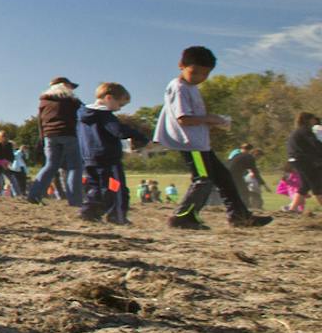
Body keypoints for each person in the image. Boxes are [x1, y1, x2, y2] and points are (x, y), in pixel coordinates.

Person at [155, 46, 270, 231]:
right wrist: (211, 119)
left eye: (205, 74)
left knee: (224, 177)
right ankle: (182, 217)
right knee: (203, 179)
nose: (200, 77)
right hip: (191, 145)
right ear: (181, 65)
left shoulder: (191, 87)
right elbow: (183, 118)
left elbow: (193, 118)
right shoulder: (179, 88)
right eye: (195, 72)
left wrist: (214, 122)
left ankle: (240, 216)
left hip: (201, 144)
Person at [77, 83, 150, 225]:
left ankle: (89, 211)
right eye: (120, 105)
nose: (119, 109)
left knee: (94, 186)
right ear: (109, 98)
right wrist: (141, 137)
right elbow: (119, 131)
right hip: (108, 159)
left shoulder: (82, 114)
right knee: (116, 187)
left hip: (89, 159)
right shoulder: (105, 115)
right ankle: (117, 215)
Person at [28, 77, 84, 205]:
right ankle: (75, 201)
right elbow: (84, 114)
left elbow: (40, 122)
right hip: (69, 134)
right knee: (74, 167)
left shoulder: (44, 101)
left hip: (49, 136)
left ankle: (34, 195)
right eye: (70, 86)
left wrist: (42, 138)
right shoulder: (73, 101)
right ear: (65, 86)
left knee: (51, 165)